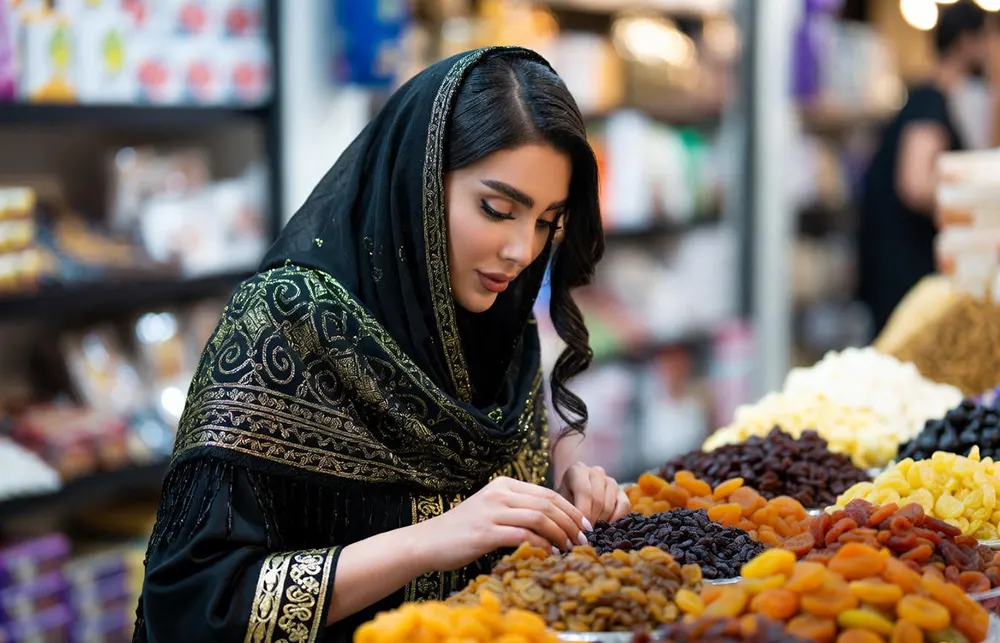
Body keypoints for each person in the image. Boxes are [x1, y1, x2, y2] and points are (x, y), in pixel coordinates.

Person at [133, 46, 629, 643]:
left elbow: (494, 548)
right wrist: (427, 542)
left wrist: (555, 503)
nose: (522, 251)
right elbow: (193, 603)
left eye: (547, 222)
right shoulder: (286, 322)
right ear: (416, 182)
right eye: (498, 210)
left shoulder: (500, 324)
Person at [857, 0, 988, 337]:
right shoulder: (929, 101)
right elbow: (915, 184)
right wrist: (978, 200)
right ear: (967, 42)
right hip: (903, 271)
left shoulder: (929, 98)